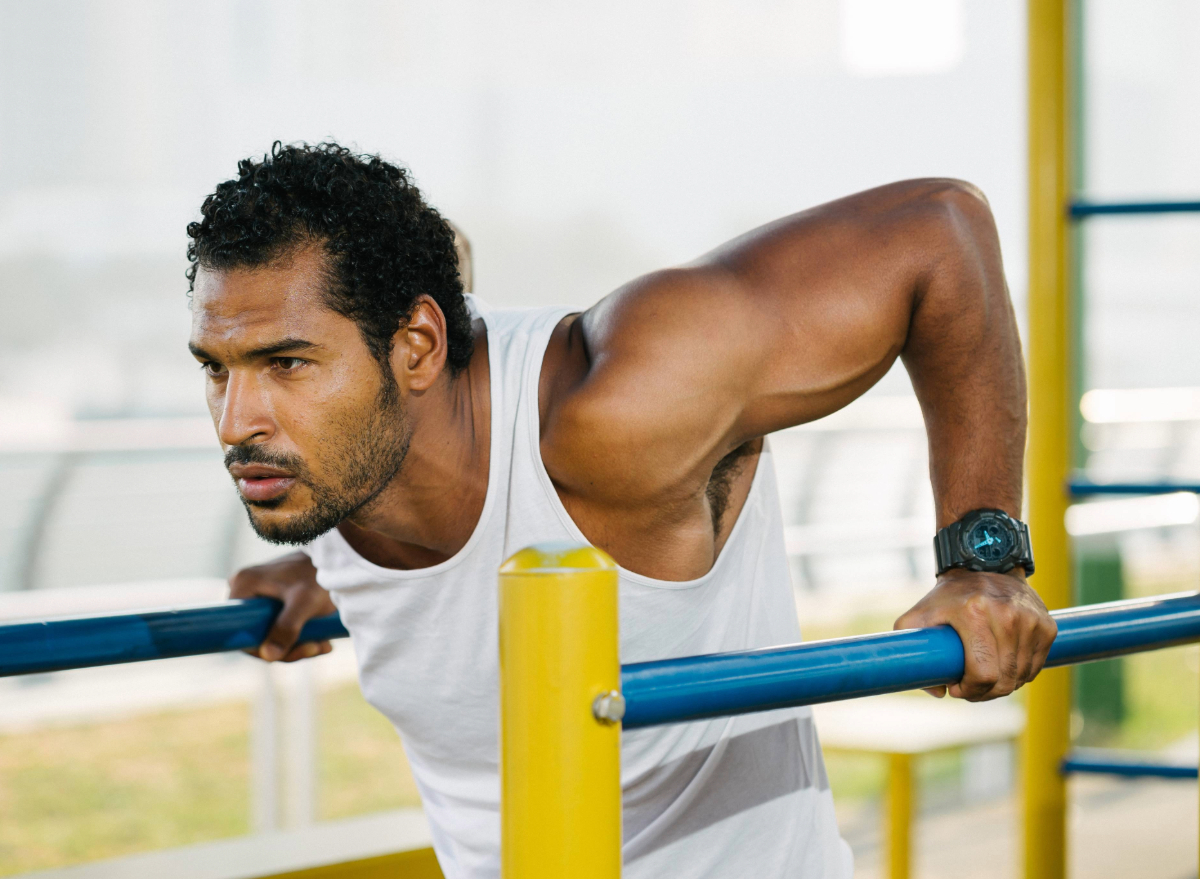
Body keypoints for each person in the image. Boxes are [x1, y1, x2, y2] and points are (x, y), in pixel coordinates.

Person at [188, 142, 1054, 878]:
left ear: (417, 347)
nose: (236, 421)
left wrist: (981, 560)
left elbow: (941, 228)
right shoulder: (336, 465)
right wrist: (329, 568)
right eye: (216, 368)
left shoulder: (623, 405)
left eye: (286, 363)